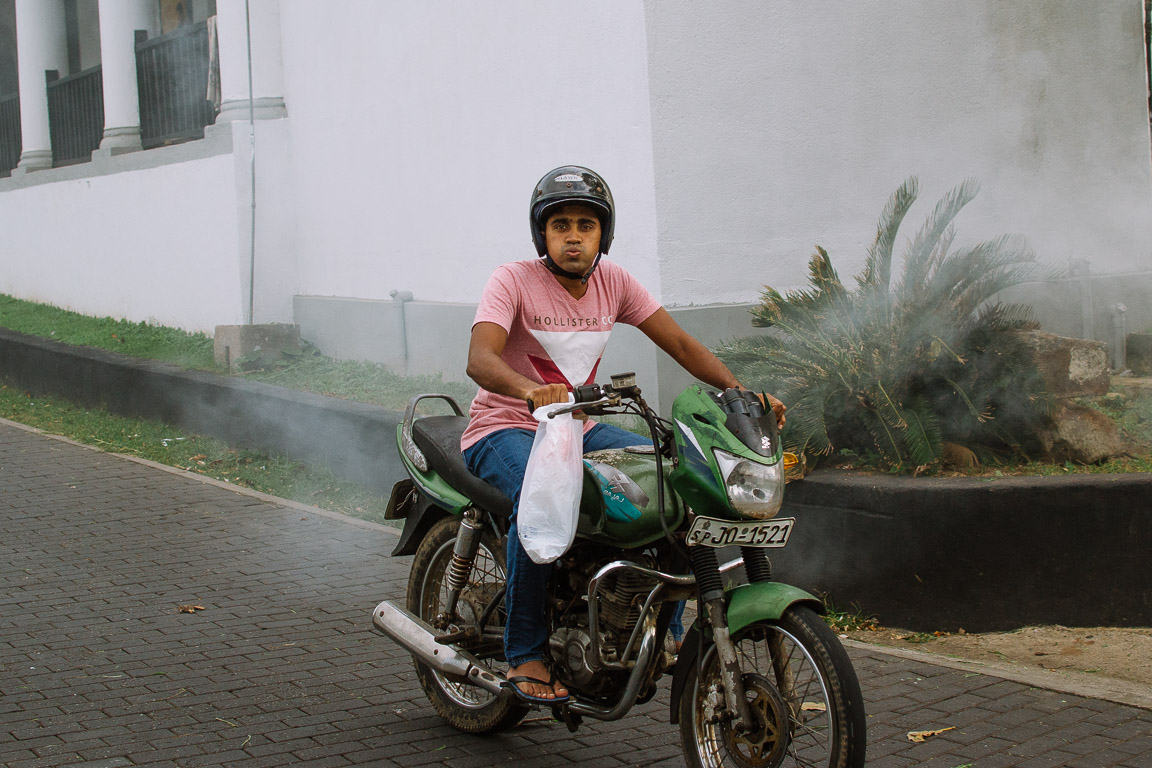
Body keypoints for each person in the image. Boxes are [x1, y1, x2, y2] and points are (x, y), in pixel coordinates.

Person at [461, 165, 785, 704]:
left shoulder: (614, 283)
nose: (572, 235)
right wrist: (530, 391)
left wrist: (739, 393)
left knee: (674, 477)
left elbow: (679, 344)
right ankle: (527, 656)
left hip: (577, 430)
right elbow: (480, 358)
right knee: (541, 499)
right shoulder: (512, 280)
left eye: (585, 225)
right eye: (559, 224)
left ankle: (667, 627)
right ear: (541, 233)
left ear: (602, 236)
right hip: (505, 427)